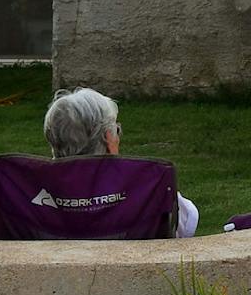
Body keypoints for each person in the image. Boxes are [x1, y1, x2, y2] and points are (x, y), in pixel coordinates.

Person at [42, 87, 200, 237]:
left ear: (53, 141)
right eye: (116, 130)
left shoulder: (32, 190)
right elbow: (187, 224)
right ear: (109, 139)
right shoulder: (147, 187)